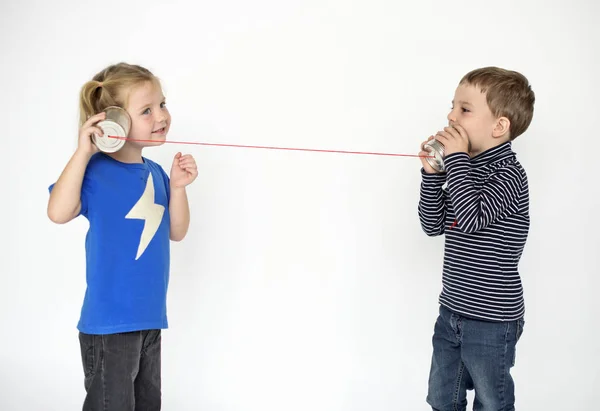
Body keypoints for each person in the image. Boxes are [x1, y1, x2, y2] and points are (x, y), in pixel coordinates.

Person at [47, 62, 198, 411]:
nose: (161, 115)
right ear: (113, 121)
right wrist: (84, 151)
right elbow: (57, 213)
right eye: (147, 110)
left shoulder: (158, 173)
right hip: (109, 326)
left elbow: (177, 231)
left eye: (162, 103)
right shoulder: (95, 171)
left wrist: (178, 188)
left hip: (149, 320)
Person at [417, 66, 535, 411]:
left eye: (464, 110)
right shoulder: (464, 168)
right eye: (452, 106)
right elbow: (432, 224)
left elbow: (470, 220)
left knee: (491, 403)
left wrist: (454, 161)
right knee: (442, 398)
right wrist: (431, 176)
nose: (451, 116)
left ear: (499, 126)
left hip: (492, 321)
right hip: (452, 311)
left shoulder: (509, 175)